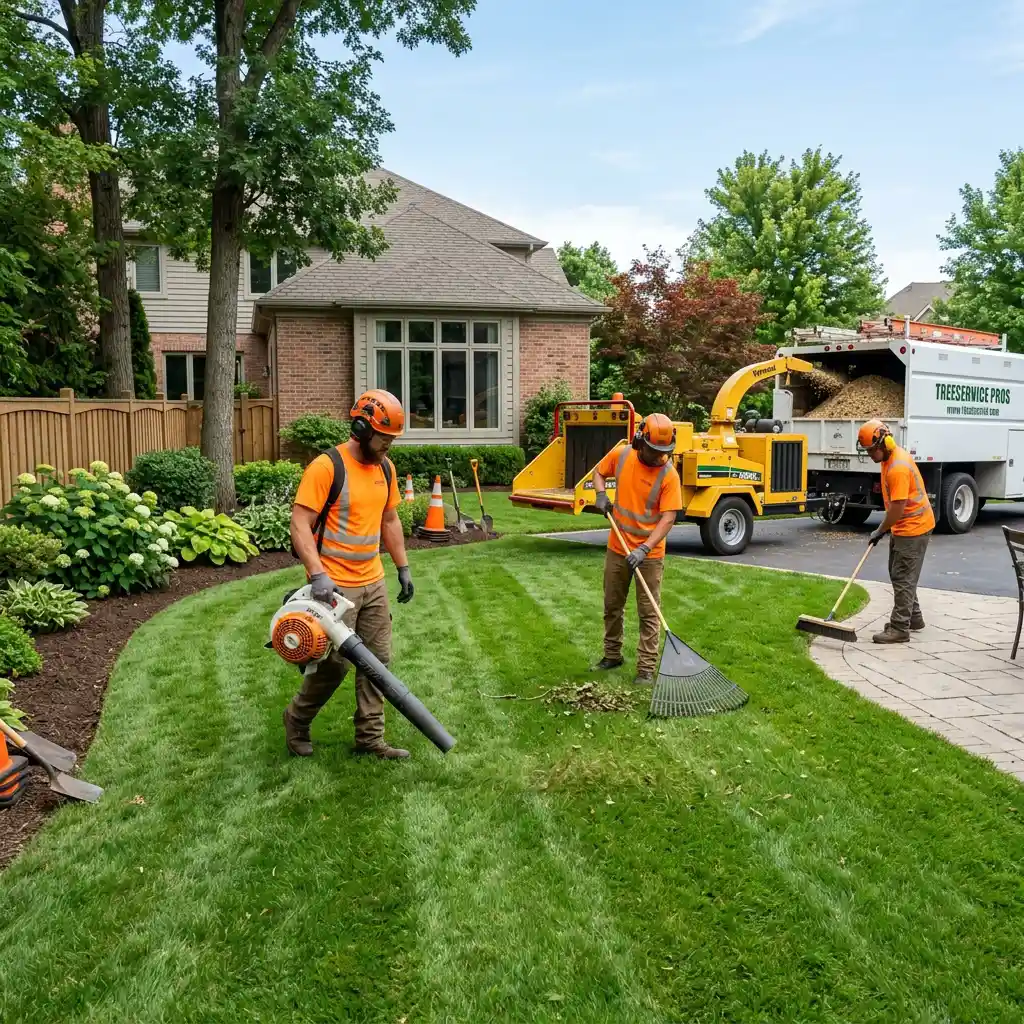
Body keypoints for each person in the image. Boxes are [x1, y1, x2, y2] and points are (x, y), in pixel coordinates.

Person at [283, 389, 415, 759]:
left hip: (372, 582)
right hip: (335, 589)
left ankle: (370, 740)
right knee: (333, 667)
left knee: (378, 662)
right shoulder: (327, 467)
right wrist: (316, 574)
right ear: (360, 428)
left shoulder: (385, 470)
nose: (389, 444)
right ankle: (296, 720)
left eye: (392, 438)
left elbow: (389, 520)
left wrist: (402, 567)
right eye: (384, 436)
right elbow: (299, 523)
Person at [592, 414, 684, 685]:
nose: (659, 457)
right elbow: (598, 472)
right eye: (654, 451)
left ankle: (645, 669)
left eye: (664, 452)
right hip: (617, 546)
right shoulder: (621, 455)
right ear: (639, 441)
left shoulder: (669, 475)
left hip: (649, 554)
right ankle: (612, 655)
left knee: (649, 613)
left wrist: (644, 549)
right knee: (612, 605)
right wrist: (600, 494)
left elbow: (668, 518)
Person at [858, 418, 935, 644]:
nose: (870, 455)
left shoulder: (897, 467)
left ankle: (900, 627)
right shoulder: (888, 457)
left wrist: (880, 530)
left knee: (902, 576)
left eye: (871, 450)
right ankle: (914, 618)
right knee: (899, 573)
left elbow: (898, 508)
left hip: (914, 527)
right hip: (905, 526)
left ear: (884, 443)